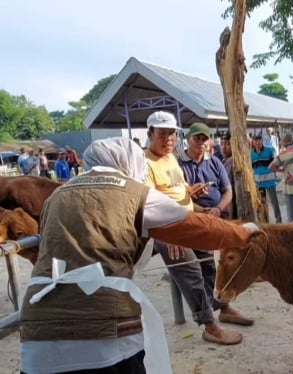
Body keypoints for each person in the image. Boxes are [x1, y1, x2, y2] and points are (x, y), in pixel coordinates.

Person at [19, 137, 256, 374]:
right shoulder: (132, 191)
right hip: (104, 327)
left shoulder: (57, 195)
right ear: (129, 162)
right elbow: (200, 228)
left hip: (37, 327)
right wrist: (247, 233)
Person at [144, 113, 251, 346]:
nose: (168, 138)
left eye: (172, 133)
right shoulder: (145, 163)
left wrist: (192, 196)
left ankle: (220, 307)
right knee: (190, 268)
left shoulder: (171, 159)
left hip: (188, 217)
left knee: (208, 263)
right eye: (162, 133)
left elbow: (178, 191)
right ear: (150, 133)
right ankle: (209, 326)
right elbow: (149, 204)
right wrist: (168, 233)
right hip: (165, 227)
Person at [251, 134, 283, 223]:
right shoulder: (251, 154)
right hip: (258, 183)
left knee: (274, 201)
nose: (258, 143)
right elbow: (252, 167)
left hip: (269, 181)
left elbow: (274, 163)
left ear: (262, 141)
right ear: (253, 142)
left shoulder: (269, 151)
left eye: (259, 140)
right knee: (261, 203)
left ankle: (279, 220)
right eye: (256, 141)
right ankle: (264, 220)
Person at [219, 132, 237, 219]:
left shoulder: (233, 161)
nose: (224, 147)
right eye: (222, 144)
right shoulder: (223, 160)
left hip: (232, 203)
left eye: (228, 144)